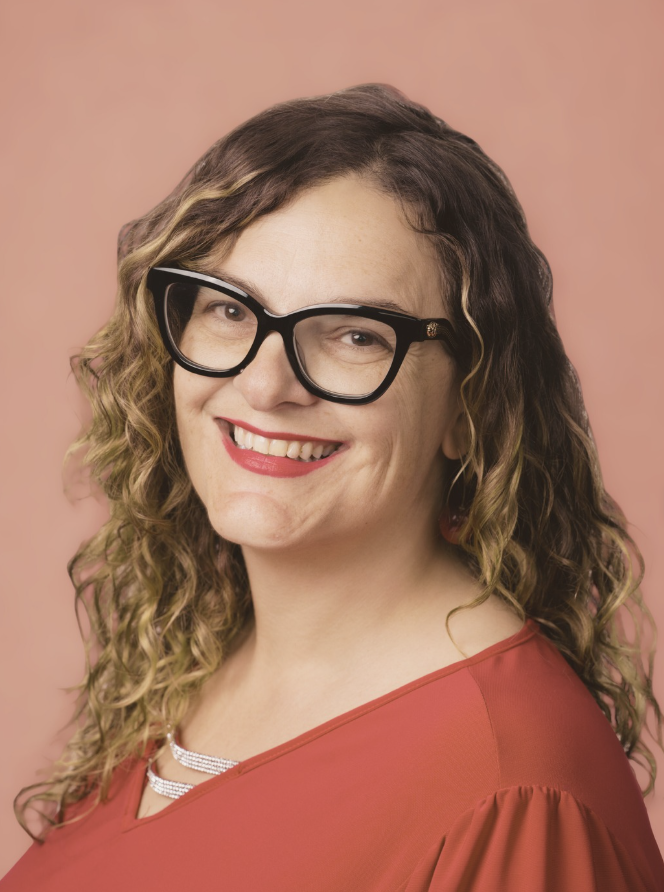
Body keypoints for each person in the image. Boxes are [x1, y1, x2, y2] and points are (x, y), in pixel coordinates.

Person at [2, 83, 663, 891]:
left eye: (354, 333)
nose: (267, 382)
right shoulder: (188, 668)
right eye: (230, 310)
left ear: (470, 404)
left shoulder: (514, 789)